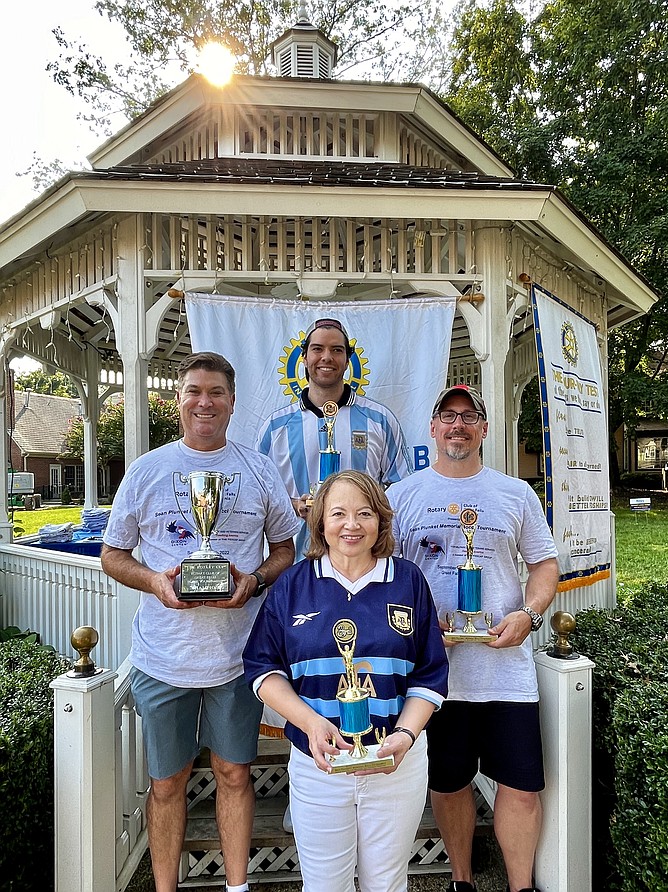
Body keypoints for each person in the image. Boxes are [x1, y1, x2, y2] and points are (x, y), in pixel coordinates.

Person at [101, 352, 300, 892]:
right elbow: (113, 555)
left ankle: (236, 887)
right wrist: (157, 583)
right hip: (163, 658)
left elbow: (285, 547)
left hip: (238, 659)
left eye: (215, 392)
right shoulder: (148, 469)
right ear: (179, 399)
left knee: (235, 774)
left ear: (232, 403)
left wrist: (253, 581)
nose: (204, 401)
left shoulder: (258, 470)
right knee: (167, 783)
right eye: (193, 391)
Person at [387, 385, 559, 892]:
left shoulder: (514, 493)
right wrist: (416, 623)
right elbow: (385, 575)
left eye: (469, 416)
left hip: (506, 672)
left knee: (522, 788)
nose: (458, 425)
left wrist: (528, 614)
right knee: (449, 784)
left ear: (484, 429)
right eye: (448, 416)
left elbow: (545, 564)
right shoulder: (402, 496)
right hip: (437, 680)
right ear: (433, 429)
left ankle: (520, 886)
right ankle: (462, 882)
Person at [243, 470, 447, 892]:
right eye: (338, 513)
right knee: (323, 884)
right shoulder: (294, 584)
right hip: (319, 764)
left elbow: (429, 674)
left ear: (380, 521)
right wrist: (311, 724)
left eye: (364, 513)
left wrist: (406, 735)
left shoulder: (408, 581)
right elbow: (263, 669)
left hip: (397, 763)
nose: (351, 525)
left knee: (387, 883)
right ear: (319, 521)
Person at [256, 317, 413, 557]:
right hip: (297, 563)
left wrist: (364, 509)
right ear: (304, 357)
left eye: (336, 350)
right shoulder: (275, 427)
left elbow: (401, 490)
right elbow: (260, 496)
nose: (326, 357)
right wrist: (294, 506)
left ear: (348, 360)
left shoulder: (380, 420)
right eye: (317, 349)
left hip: (363, 563)